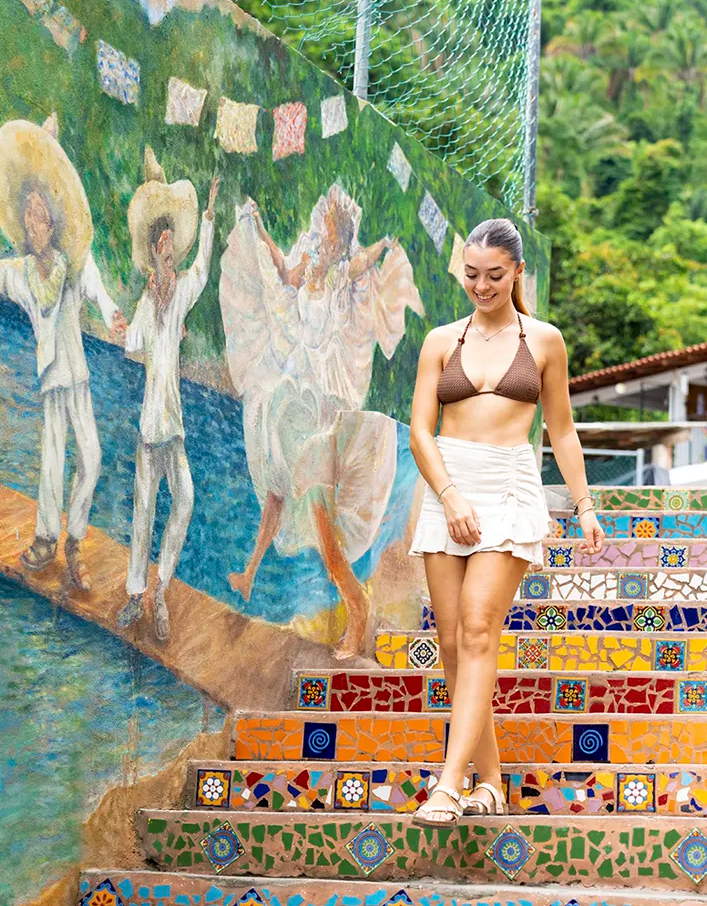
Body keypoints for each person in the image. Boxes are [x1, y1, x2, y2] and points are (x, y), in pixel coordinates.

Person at [408, 216, 604, 824]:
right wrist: (450, 495)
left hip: (511, 490)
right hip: (448, 487)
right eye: (471, 274)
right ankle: (491, 782)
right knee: (450, 646)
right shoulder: (441, 340)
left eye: (495, 275)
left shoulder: (544, 341)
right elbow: (419, 429)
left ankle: (449, 785)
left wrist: (585, 505)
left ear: (517, 271)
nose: (482, 286)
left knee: (477, 632)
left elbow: (562, 430)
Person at [219, 184, 424, 660]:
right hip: (292, 394)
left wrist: (384, 245)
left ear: (339, 240)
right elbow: (279, 270)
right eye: (322, 229)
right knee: (276, 483)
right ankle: (250, 572)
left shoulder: (337, 277)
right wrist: (259, 229)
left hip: (321, 406)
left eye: (331, 233)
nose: (321, 236)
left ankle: (356, 604)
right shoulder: (309, 266)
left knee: (315, 505)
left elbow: (364, 261)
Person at [0, 116, 126, 595]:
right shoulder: (22, 272)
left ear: (51, 222)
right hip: (51, 376)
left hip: (76, 375)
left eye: (39, 214)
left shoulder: (74, 262)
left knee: (93, 458)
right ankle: (46, 540)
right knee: (49, 459)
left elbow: (98, 289)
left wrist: (114, 314)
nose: (33, 222)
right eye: (28, 215)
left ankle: (74, 539)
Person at [117, 149, 218, 644]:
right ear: (153, 250)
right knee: (143, 512)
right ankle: (136, 593)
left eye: (173, 241)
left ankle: (160, 588)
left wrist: (210, 216)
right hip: (148, 430)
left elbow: (201, 271)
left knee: (185, 501)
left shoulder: (179, 295)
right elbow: (133, 344)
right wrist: (136, 320)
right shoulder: (148, 302)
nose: (169, 247)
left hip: (172, 428)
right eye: (162, 241)